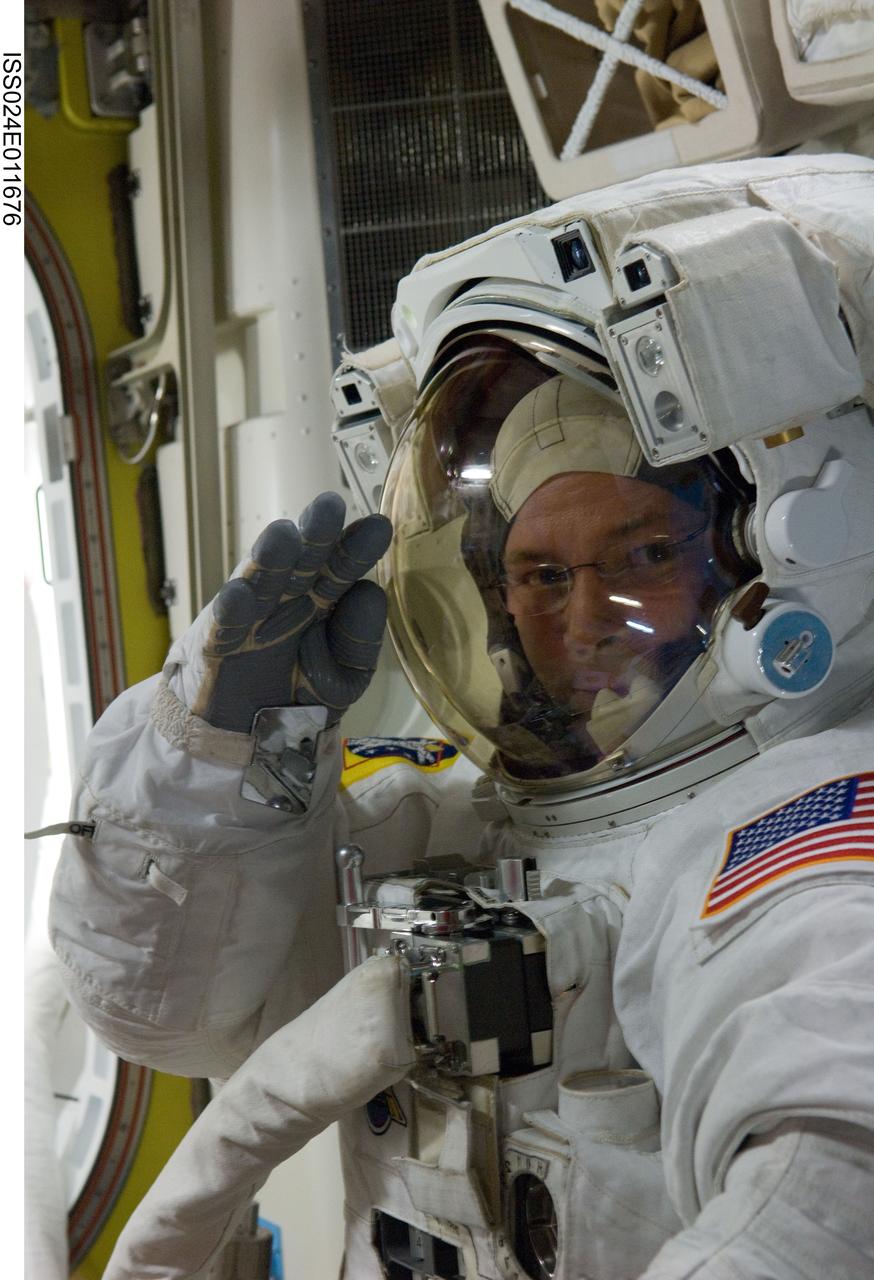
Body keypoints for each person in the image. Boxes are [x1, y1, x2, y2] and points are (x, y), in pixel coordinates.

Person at [48, 156, 874, 1280]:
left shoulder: (806, 835)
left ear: (796, 548)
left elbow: (829, 1184)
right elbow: (169, 1014)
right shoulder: (452, 820)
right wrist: (216, 759)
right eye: (538, 571)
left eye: (641, 553)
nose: (584, 620)